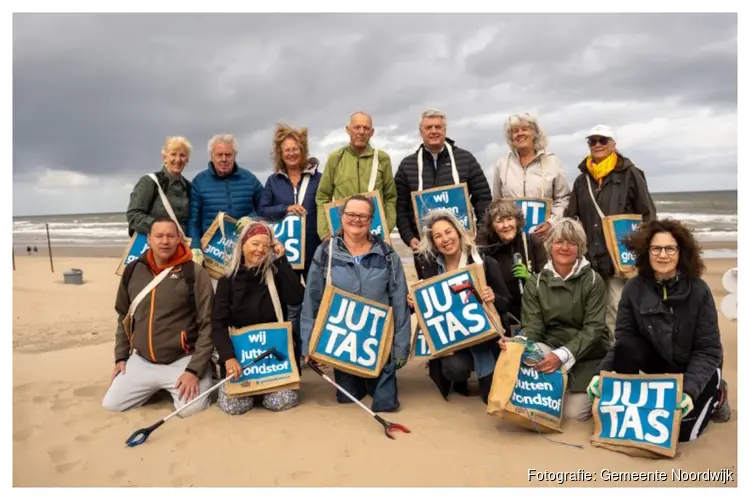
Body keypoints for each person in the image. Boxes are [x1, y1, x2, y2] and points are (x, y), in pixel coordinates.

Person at [587, 219, 731, 441]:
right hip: (660, 363)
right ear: (646, 251)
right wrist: (601, 373)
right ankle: (630, 401)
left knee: (680, 434)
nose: (662, 255)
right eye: (656, 248)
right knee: (628, 350)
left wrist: (690, 390)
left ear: (680, 252)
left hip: (696, 366)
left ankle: (718, 395)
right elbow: (625, 341)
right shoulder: (633, 289)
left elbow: (708, 350)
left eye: (670, 248)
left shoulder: (699, 291)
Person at [301, 195, 411, 412]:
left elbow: (399, 302)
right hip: (343, 343)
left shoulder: (388, 254)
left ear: (371, 220)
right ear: (341, 218)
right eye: (351, 214)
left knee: (386, 404)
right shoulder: (326, 252)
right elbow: (312, 300)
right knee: (348, 400)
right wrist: (308, 345)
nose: (356, 220)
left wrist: (400, 347)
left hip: (377, 343)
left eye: (363, 216)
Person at [102, 217, 215, 417]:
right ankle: (155, 387)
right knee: (111, 404)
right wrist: (120, 356)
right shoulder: (133, 270)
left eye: (171, 236)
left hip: (182, 360)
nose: (165, 241)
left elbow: (209, 324)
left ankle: (203, 375)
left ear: (179, 238)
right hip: (142, 360)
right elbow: (123, 315)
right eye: (159, 236)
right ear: (149, 239)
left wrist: (194, 370)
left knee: (191, 410)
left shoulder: (194, 274)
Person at [502, 217, 610, 421]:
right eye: (559, 242)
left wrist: (562, 355)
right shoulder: (536, 282)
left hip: (587, 353)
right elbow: (532, 327)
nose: (565, 247)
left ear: (580, 248)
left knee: (573, 415)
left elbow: (594, 329)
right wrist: (517, 342)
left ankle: (591, 384)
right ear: (550, 246)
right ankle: (558, 383)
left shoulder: (594, 281)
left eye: (572, 243)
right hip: (550, 348)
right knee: (529, 355)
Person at [564, 125, 657, 341]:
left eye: (602, 140)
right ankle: (605, 359)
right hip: (590, 259)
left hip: (619, 260)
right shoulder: (582, 180)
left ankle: (622, 362)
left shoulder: (631, 174)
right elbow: (571, 217)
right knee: (594, 313)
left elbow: (648, 215)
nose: (597, 144)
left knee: (617, 311)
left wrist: (640, 251)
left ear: (613, 145)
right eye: (592, 140)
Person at [412, 209, 512, 403]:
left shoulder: (484, 263)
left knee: (489, 397)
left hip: (485, 342)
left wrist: (493, 297)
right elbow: (427, 309)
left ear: (458, 232)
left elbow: (506, 303)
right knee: (454, 369)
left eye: (448, 232)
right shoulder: (431, 269)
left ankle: (483, 372)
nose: (445, 239)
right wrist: (413, 302)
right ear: (433, 242)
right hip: (453, 341)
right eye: (438, 236)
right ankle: (458, 379)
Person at [211, 220, 305, 415]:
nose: (260, 250)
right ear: (243, 245)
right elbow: (218, 323)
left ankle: (263, 390)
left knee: (279, 402)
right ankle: (255, 391)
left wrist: (282, 259)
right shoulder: (227, 281)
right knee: (234, 406)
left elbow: (296, 298)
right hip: (242, 356)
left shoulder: (276, 274)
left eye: (266, 245)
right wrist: (228, 358)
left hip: (275, 356)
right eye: (255, 243)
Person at [394, 109, 493, 279]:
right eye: (428, 127)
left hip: (462, 245)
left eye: (438, 127)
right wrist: (409, 237)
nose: (433, 131)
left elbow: (483, 198)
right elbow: (400, 207)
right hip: (425, 248)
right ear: (421, 132)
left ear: (445, 130)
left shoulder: (465, 159)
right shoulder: (407, 165)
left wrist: (479, 234)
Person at [314, 112, 397, 240]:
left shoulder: (382, 158)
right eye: (357, 127)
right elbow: (322, 196)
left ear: (372, 132)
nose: (361, 132)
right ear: (348, 130)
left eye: (366, 128)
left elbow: (390, 197)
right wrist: (325, 233)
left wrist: (387, 226)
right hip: (341, 233)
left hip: (374, 233)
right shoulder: (335, 158)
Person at [187, 134, 264, 266]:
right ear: (212, 156)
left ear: (234, 156)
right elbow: (193, 220)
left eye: (228, 155)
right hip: (212, 254)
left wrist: (252, 219)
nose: (224, 159)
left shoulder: (249, 179)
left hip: (244, 253)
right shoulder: (199, 182)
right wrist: (194, 247)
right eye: (219, 155)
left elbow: (264, 208)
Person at [491, 113, 571, 240]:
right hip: (512, 240)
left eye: (524, 129)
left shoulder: (552, 162)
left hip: (545, 237)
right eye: (515, 131)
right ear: (511, 137)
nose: (520, 134)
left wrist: (552, 223)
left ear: (534, 133)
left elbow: (563, 198)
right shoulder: (502, 164)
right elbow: (496, 202)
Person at [259, 123, 322, 279]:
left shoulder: (318, 179)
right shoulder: (273, 181)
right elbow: (263, 210)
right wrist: (286, 208)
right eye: (287, 150)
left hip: (314, 250)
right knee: (288, 300)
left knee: (315, 298)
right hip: (285, 252)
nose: (291, 154)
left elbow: (326, 208)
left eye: (295, 149)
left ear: (303, 151)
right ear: (280, 154)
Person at [476, 199, 547, 324]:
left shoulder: (533, 243)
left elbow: (549, 285)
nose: (506, 225)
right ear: (492, 225)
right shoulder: (485, 250)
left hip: (532, 316)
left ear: (517, 220)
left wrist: (530, 277)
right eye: (499, 221)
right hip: (501, 318)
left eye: (509, 219)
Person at [126, 136, 193, 237]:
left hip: (181, 247)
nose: (178, 159)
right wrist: (163, 229)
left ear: (187, 160)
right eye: (173, 154)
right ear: (164, 157)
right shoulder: (149, 181)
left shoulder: (189, 187)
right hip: (154, 247)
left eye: (182, 155)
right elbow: (133, 215)